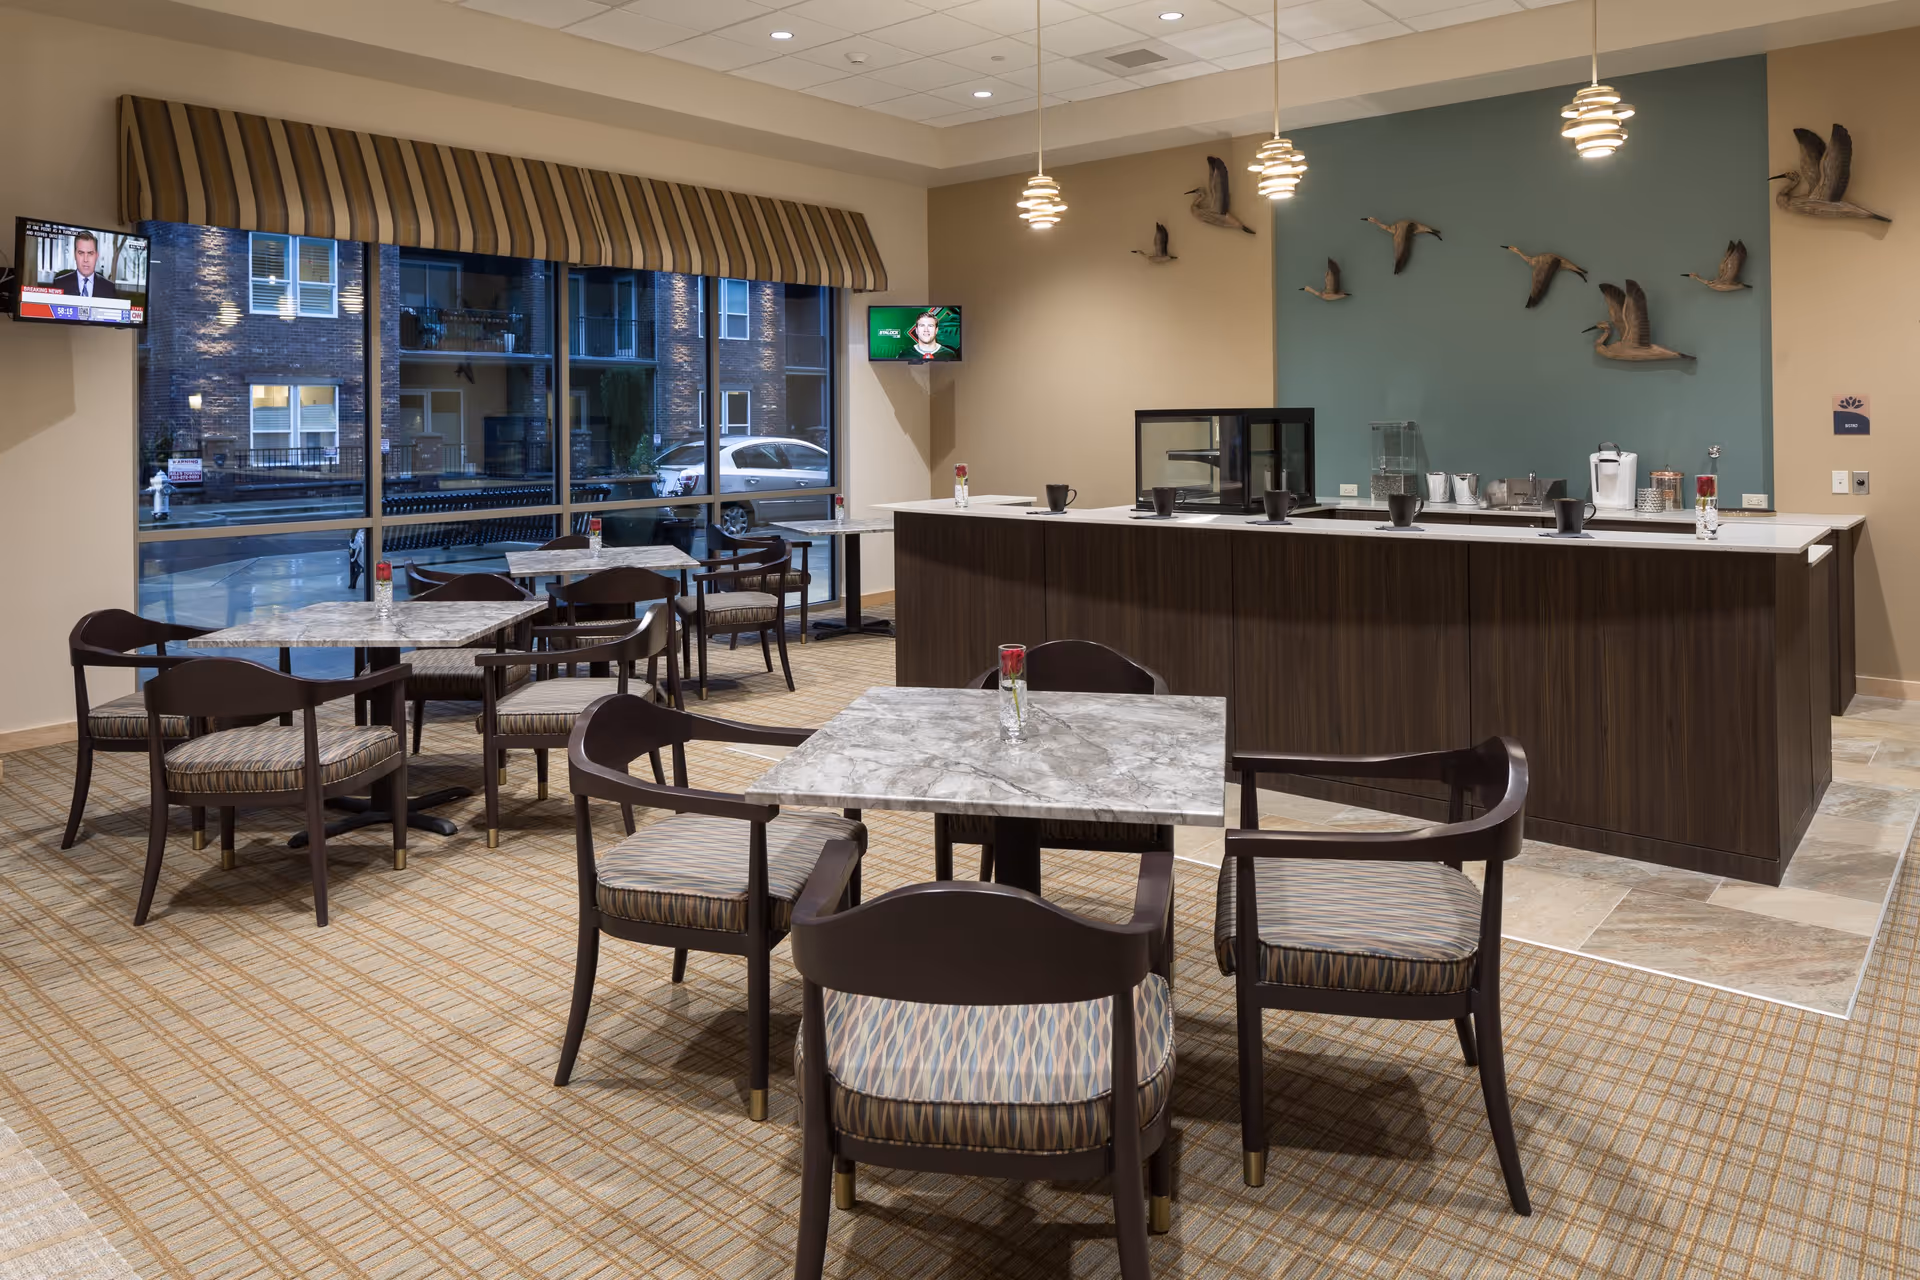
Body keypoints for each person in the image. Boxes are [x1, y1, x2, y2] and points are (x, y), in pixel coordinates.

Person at [50, 231, 121, 299]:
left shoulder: (109, 288)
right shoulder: (59, 284)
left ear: (96, 256)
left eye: (90, 253)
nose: (85, 259)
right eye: (81, 253)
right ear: (75, 255)